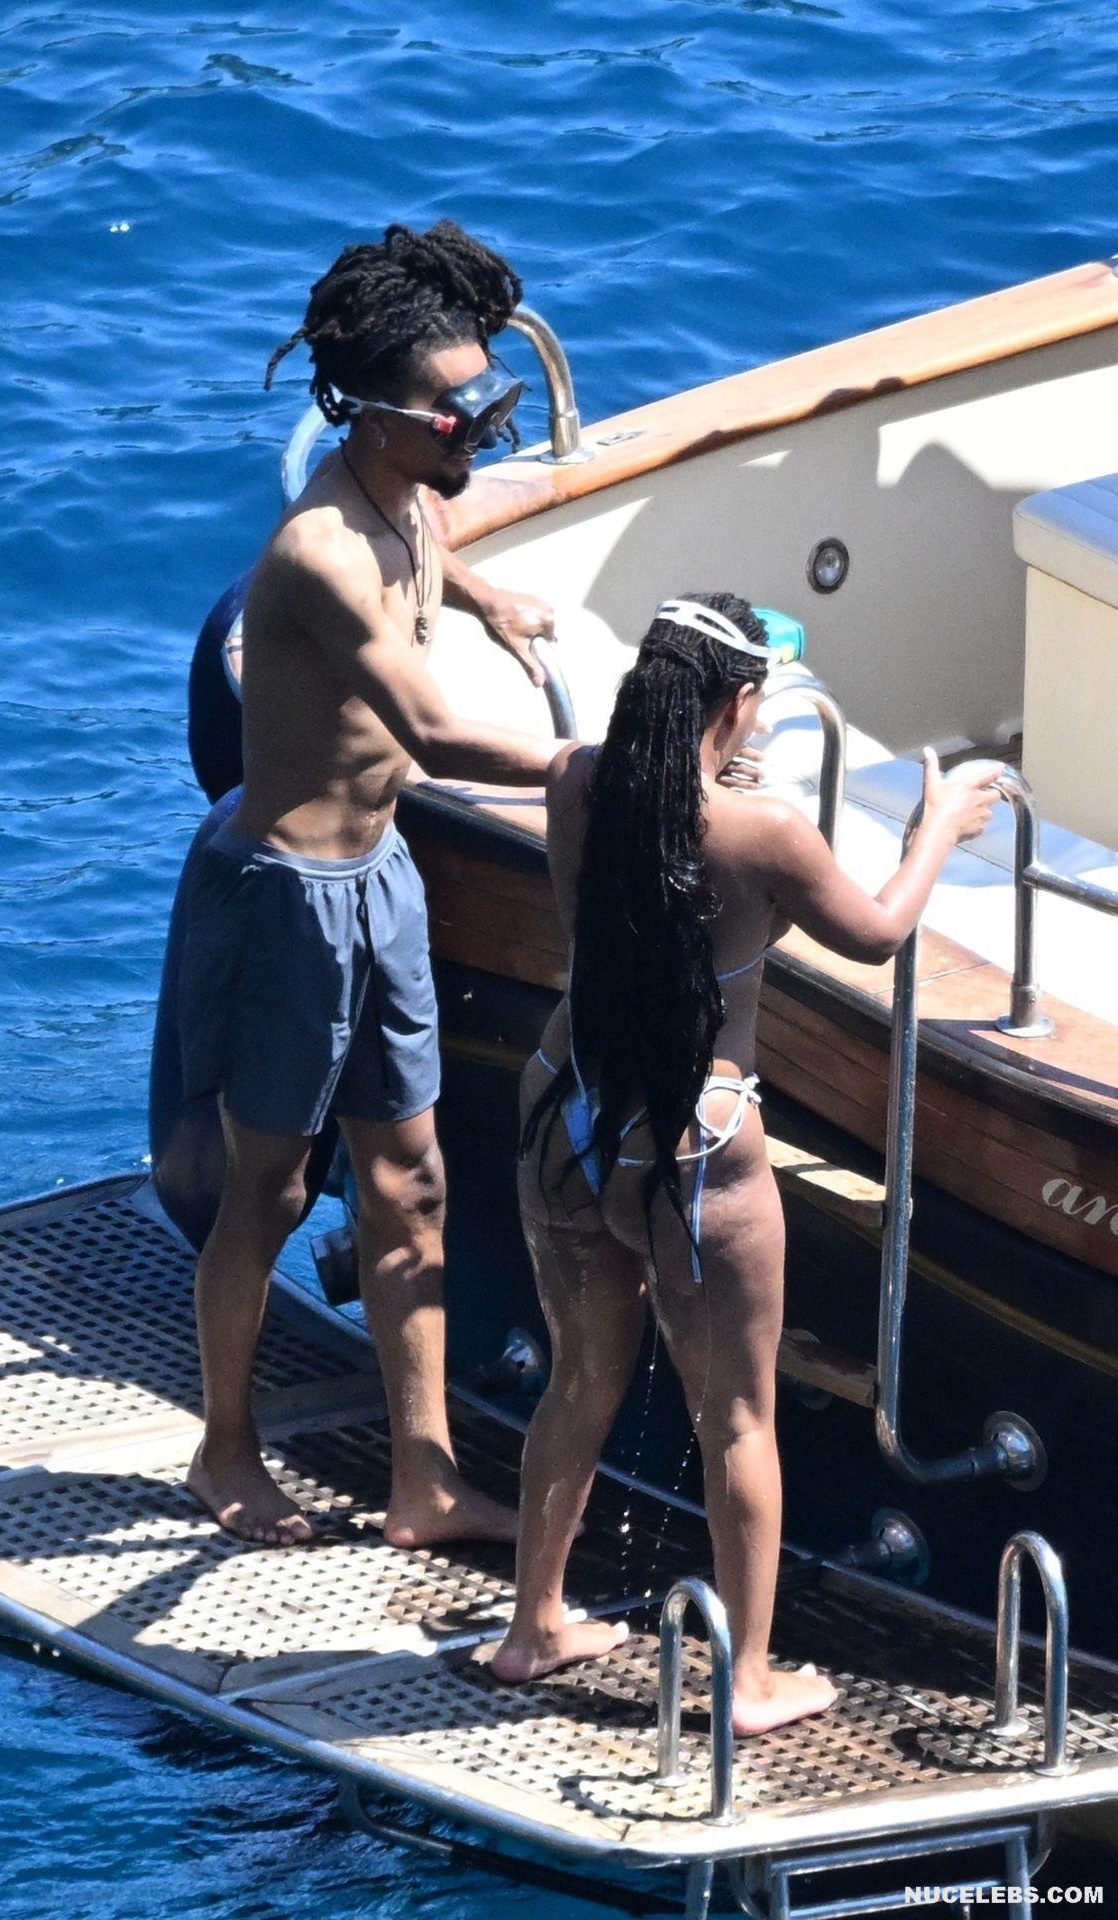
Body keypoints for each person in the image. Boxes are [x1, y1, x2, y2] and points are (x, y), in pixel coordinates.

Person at [490, 592, 1003, 1734]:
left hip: (567, 1113)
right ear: (736, 703)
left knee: (579, 1376)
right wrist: (937, 827)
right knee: (735, 1419)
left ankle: (533, 1629)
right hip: (696, 1145)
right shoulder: (762, 833)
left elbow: (644, 873)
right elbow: (876, 932)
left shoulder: (576, 781)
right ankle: (749, 1679)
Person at [180, 220, 563, 1546]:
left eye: (485, 404)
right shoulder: (319, 553)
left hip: (380, 877)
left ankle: (425, 1479)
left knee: (414, 1189)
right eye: (457, 415)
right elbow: (435, 735)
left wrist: (484, 597)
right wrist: (594, 764)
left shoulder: (408, 494)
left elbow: (423, 544)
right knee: (272, 1191)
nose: (479, 436)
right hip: (288, 897)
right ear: (373, 414)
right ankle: (224, 1452)